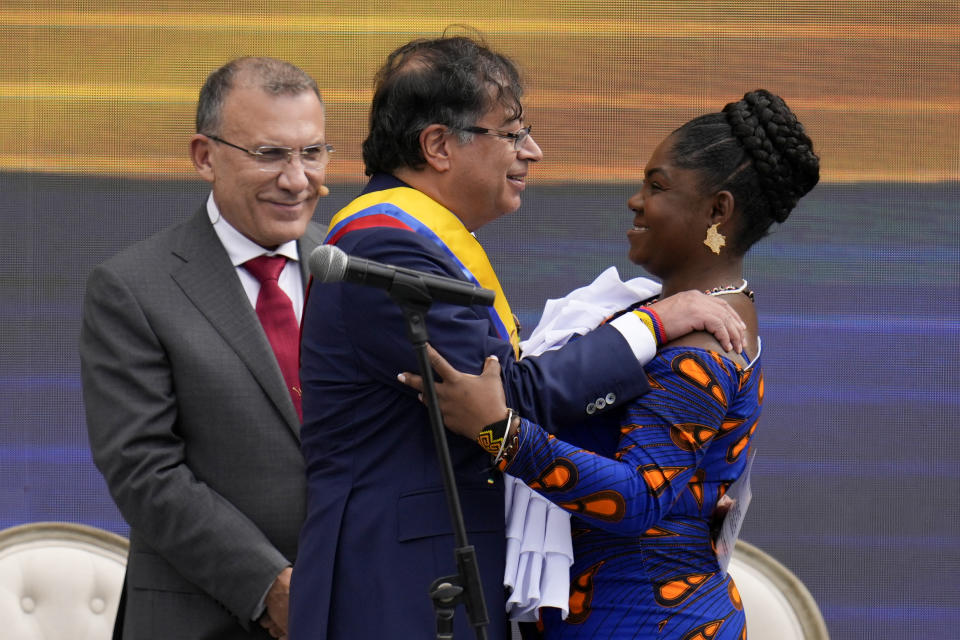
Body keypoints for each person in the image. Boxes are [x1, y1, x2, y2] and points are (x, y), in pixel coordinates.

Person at [291, 36, 747, 640]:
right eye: (511, 133)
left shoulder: (427, 239)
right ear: (438, 145)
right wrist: (651, 323)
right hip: (398, 585)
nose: (532, 151)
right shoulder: (387, 245)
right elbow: (511, 398)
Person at [400, 89, 820, 638]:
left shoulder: (704, 342)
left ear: (718, 210)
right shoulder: (673, 313)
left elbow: (638, 495)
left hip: (648, 619)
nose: (636, 200)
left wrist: (499, 433)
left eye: (658, 185)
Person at [79, 57, 332, 639]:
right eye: (270, 154)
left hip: (356, 605)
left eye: (312, 152)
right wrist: (269, 585)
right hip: (206, 615)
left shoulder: (350, 267)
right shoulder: (133, 287)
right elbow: (144, 470)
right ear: (204, 156)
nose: (297, 179)